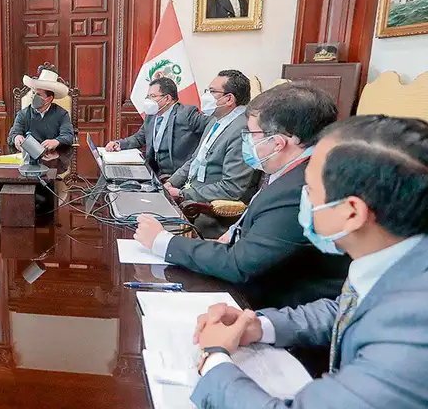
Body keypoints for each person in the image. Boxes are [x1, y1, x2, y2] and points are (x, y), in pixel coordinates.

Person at [189, 115, 428, 409]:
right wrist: (259, 324)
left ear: (352, 213)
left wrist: (213, 358)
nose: (302, 199)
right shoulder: (426, 245)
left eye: (308, 190)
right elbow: (352, 307)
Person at [135, 84, 349, 309]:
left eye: (250, 134)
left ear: (278, 142)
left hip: (275, 308)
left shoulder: (302, 188)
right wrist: (232, 232)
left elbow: (241, 264)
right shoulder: (295, 169)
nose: (246, 141)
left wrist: (162, 241)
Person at [166, 70, 256, 237]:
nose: (205, 96)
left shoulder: (243, 129)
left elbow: (232, 188)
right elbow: (195, 160)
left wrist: (182, 194)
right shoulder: (216, 120)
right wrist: (170, 184)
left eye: (212, 91)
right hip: (190, 198)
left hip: (209, 214)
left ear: (229, 99)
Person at [106, 76, 211, 179]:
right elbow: (140, 138)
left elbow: (214, 124)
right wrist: (119, 144)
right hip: (154, 172)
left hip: (177, 175)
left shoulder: (187, 114)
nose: (149, 100)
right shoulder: (151, 115)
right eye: (148, 96)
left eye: (153, 96)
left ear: (167, 99)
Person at [7, 68, 74, 152]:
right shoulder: (23, 114)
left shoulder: (62, 114)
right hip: (29, 159)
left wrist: (56, 141)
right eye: (33, 93)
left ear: (49, 99)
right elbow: (12, 135)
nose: (34, 97)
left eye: (38, 94)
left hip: (53, 159)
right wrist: (16, 137)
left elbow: (68, 136)